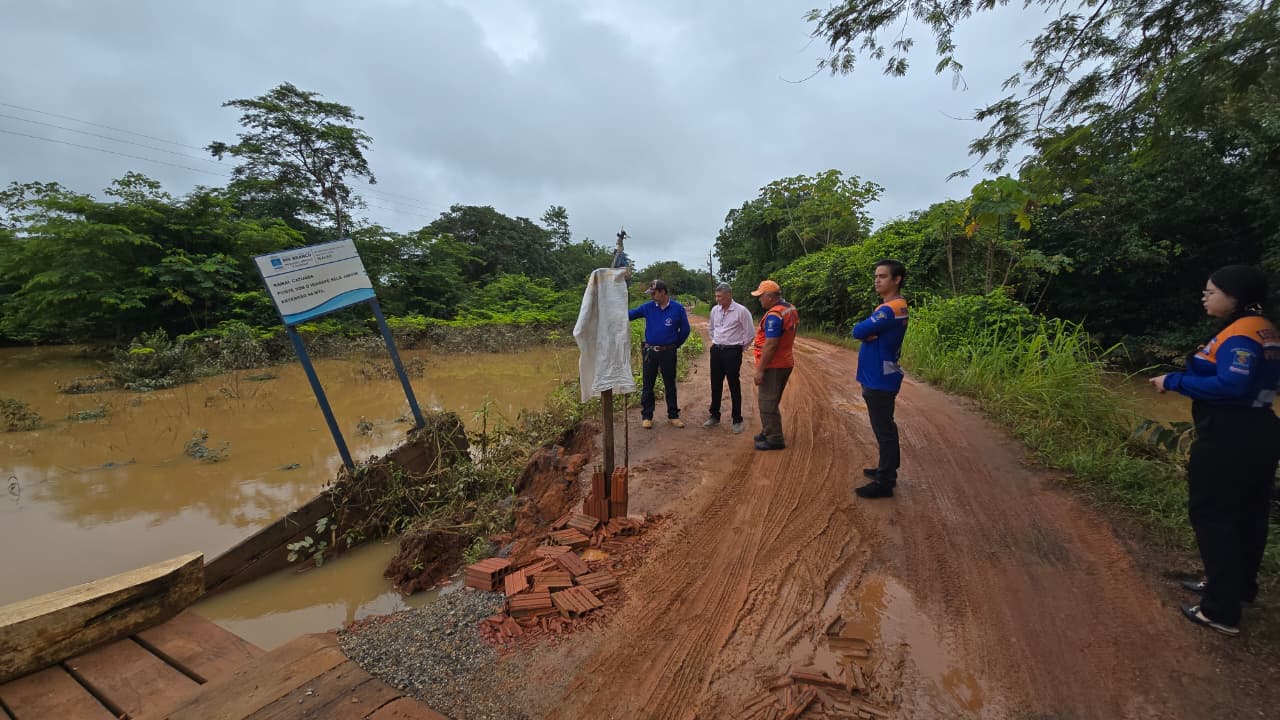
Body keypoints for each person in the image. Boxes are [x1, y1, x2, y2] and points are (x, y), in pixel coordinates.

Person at [1151, 265, 1279, 637]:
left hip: (1230, 435)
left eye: (1211, 292)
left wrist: (1174, 380)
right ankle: (1237, 588)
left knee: (1213, 514)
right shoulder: (1264, 329)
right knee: (1248, 514)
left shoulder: (1241, 335)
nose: (1205, 297)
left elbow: (1232, 386)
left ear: (1234, 296)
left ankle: (1220, 610)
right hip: (1260, 430)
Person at [851, 260, 909, 499]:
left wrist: (867, 333)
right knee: (886, 427)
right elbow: (866, 332)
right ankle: (887, 470)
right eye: (876, 275)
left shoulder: (888, 310)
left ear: (897, 280)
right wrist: (869, 333)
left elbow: (857, 331)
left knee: (883, 429)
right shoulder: (899, 306)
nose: (877, 280)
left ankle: (885, 482)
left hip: (879, 379)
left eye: (883, 276)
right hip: (883, 373)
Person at [629, 279, 691, 429]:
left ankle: (673, 415)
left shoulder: (677, 308)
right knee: (647, 384)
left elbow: (685, 330)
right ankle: (647, 416)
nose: (652, 296)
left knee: (669, 384)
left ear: (663, 292)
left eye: (654, 293)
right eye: (651, 293)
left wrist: (675, 345)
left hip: (668, 352)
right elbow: (630, 315)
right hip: (650, 352)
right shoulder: (648, 307)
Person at [750, 280, 799, 450]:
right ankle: (768, 430)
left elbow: (771, 344)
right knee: (773, 399)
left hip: (774, 364)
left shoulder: (774, 315)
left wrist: (760, 370)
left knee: (767, 402)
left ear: (770, 297)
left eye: (761, 296)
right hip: (785, 361)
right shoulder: (789, 308)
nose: (759, 300)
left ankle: (775, 438)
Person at [704, 282, 755, 434]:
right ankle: (714, 415)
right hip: (717, 351)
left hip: (733, 352)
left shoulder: (741, 311)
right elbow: (711, 329)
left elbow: (750, 333)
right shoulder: (715, 310)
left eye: (720, 296)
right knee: (715, 383)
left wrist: (739, 348)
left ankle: (737, 419)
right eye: (716, 296)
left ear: (728, 295)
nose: (717, 299)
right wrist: (717, 342)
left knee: (733, 384)